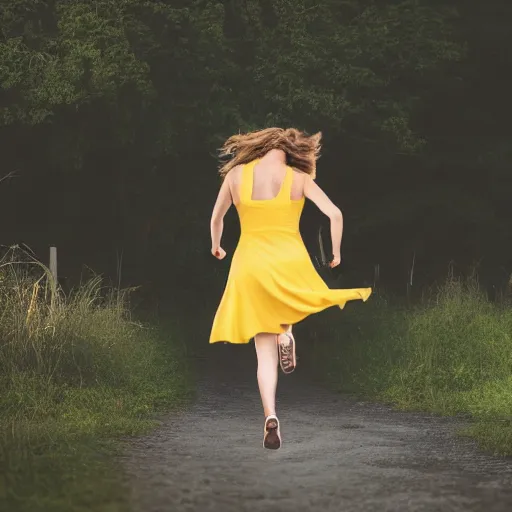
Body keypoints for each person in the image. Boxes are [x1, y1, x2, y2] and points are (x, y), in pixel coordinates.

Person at [209, 127, 371, 450]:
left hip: (250, 264)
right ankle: (287, 331)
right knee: (288, 306)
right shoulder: (298, 178)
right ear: (292, 152)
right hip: (287, 261)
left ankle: (270, 415)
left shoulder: (237, 175)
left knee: (263, 355)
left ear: (260, 147)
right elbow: (334, 214)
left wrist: (217, 247)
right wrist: (336, 253)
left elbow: (216, 219)